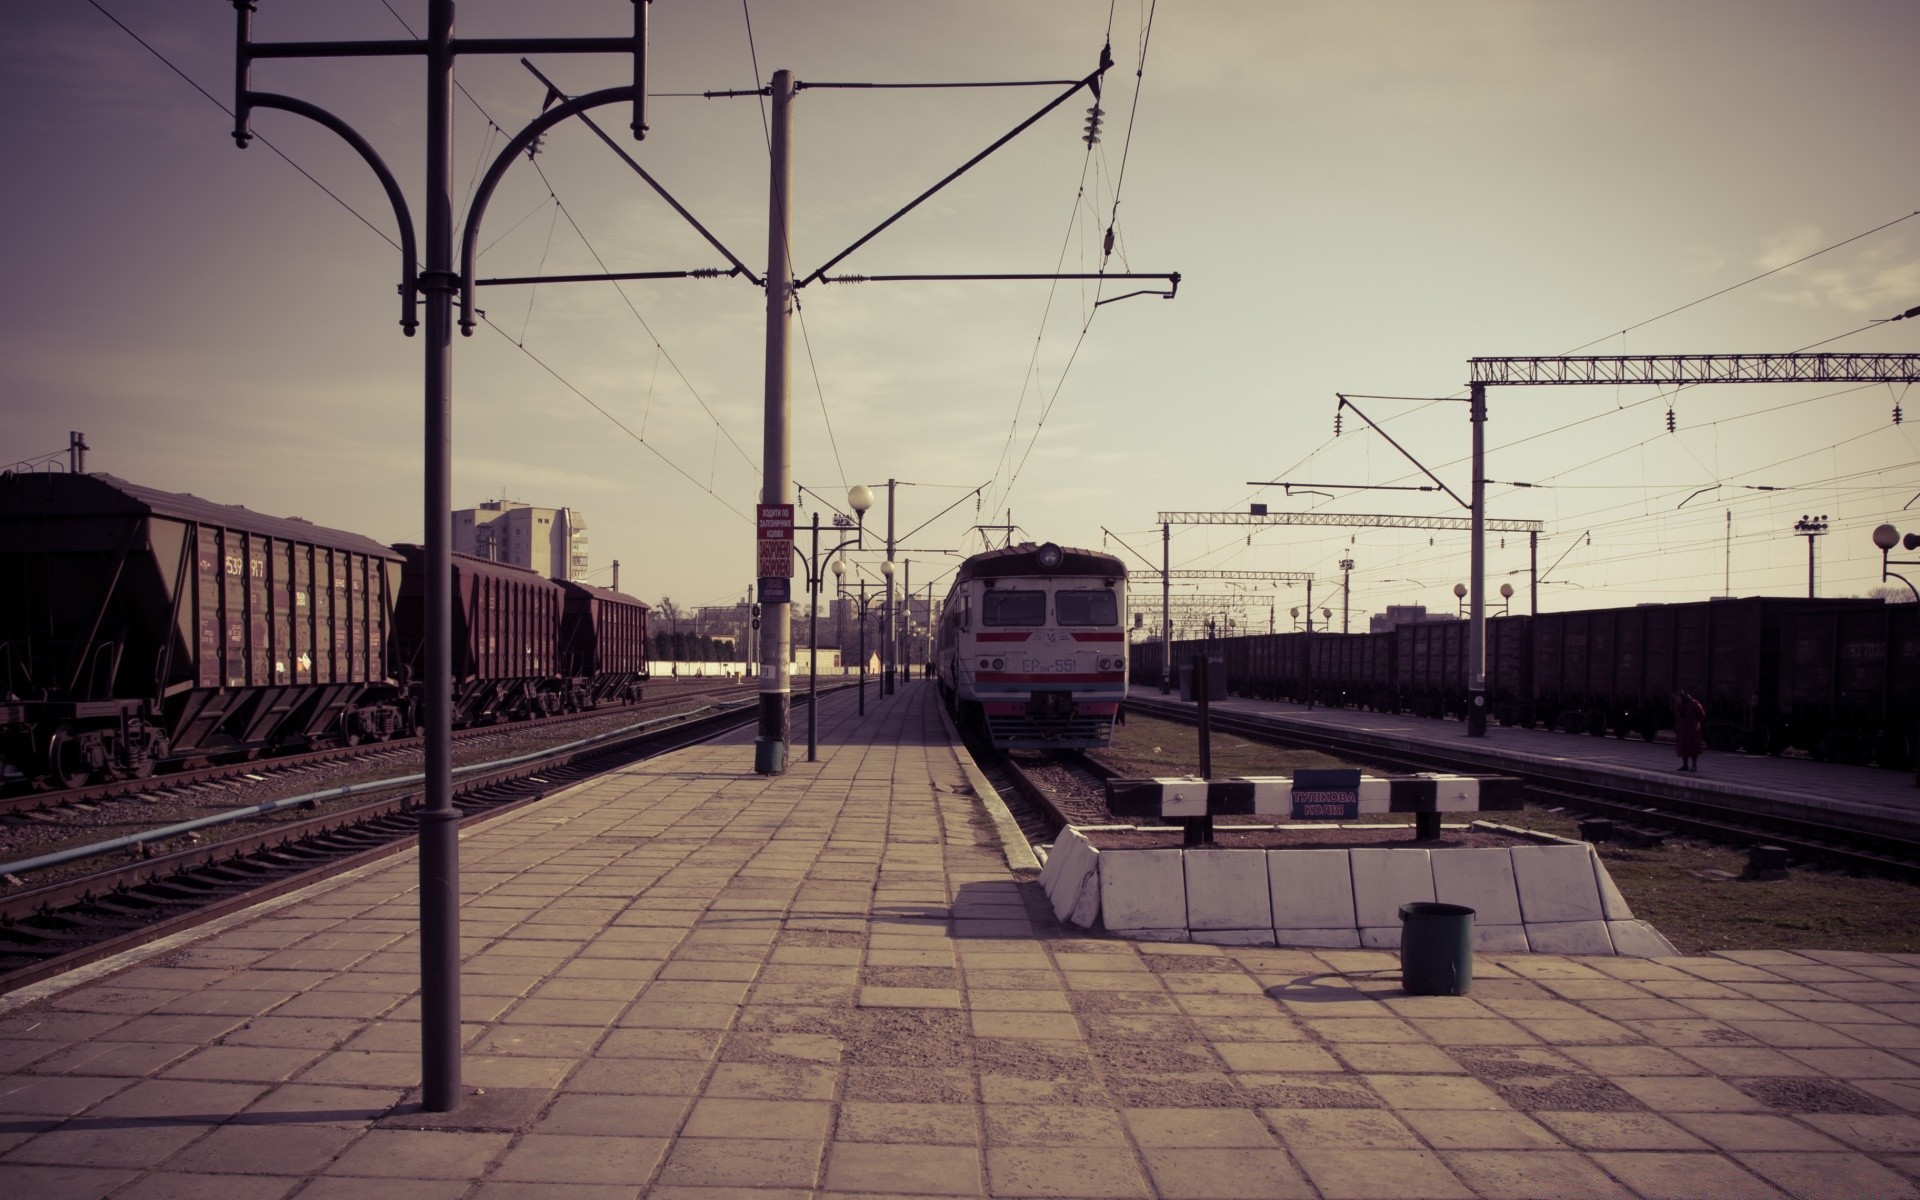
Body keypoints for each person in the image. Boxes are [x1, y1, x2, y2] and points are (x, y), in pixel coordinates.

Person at [1673, 690, 1705, 772]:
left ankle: (1694, 766)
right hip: (1682, 729)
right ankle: (1685, 765)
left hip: (1692, 729)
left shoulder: (1693, 703)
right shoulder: (1677, 704)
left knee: (1693, 747)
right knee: (1683, 747)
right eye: (1676, 698)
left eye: (1678, 698)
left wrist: (1695, 723)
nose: (1677, 699)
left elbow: (1701, 714)